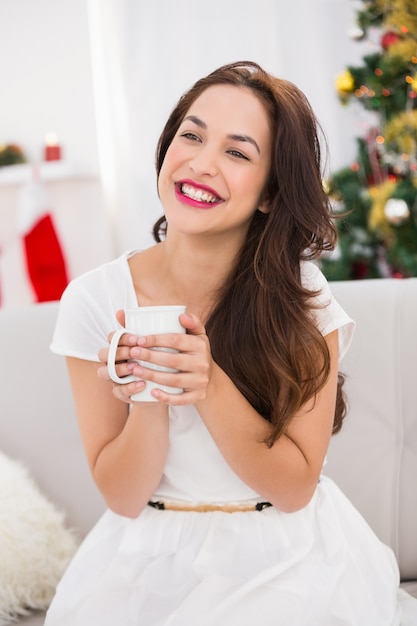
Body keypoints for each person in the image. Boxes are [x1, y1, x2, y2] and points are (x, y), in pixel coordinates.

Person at [45, 61, 409, 625]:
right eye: (191, 135)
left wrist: (208, 384)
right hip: (142, 559)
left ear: (269, 194)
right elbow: (122, 498)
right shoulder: (94, 299)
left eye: (238, 153)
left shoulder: (301, 296)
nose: (202, 162)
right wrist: (148, 389)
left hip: (286, 558)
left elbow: (294, 489)